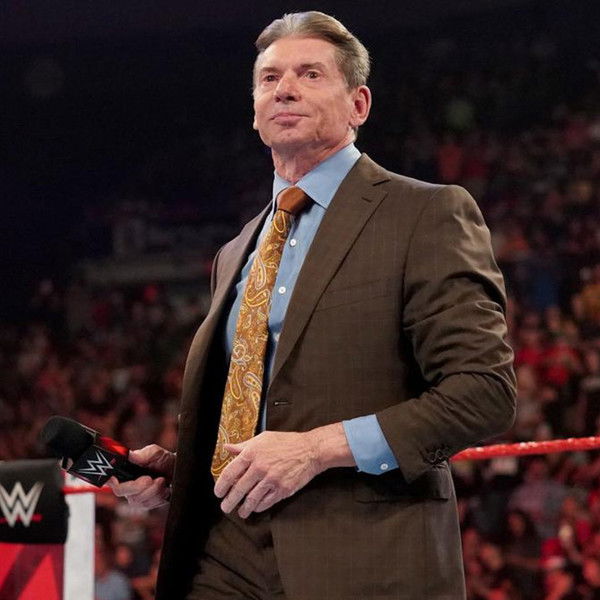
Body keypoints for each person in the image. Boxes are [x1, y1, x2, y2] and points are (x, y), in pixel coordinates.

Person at [108, 11, 516, 599]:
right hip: (224, 553)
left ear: (359, 105)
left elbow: (483, 392)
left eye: (310, 74)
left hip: (362, 555)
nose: (285, 89)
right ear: (255, 109)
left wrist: (315, 451)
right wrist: (186, 471)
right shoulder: (235, 250)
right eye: (269, 78)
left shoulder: (425, 213)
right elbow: (258, 405)